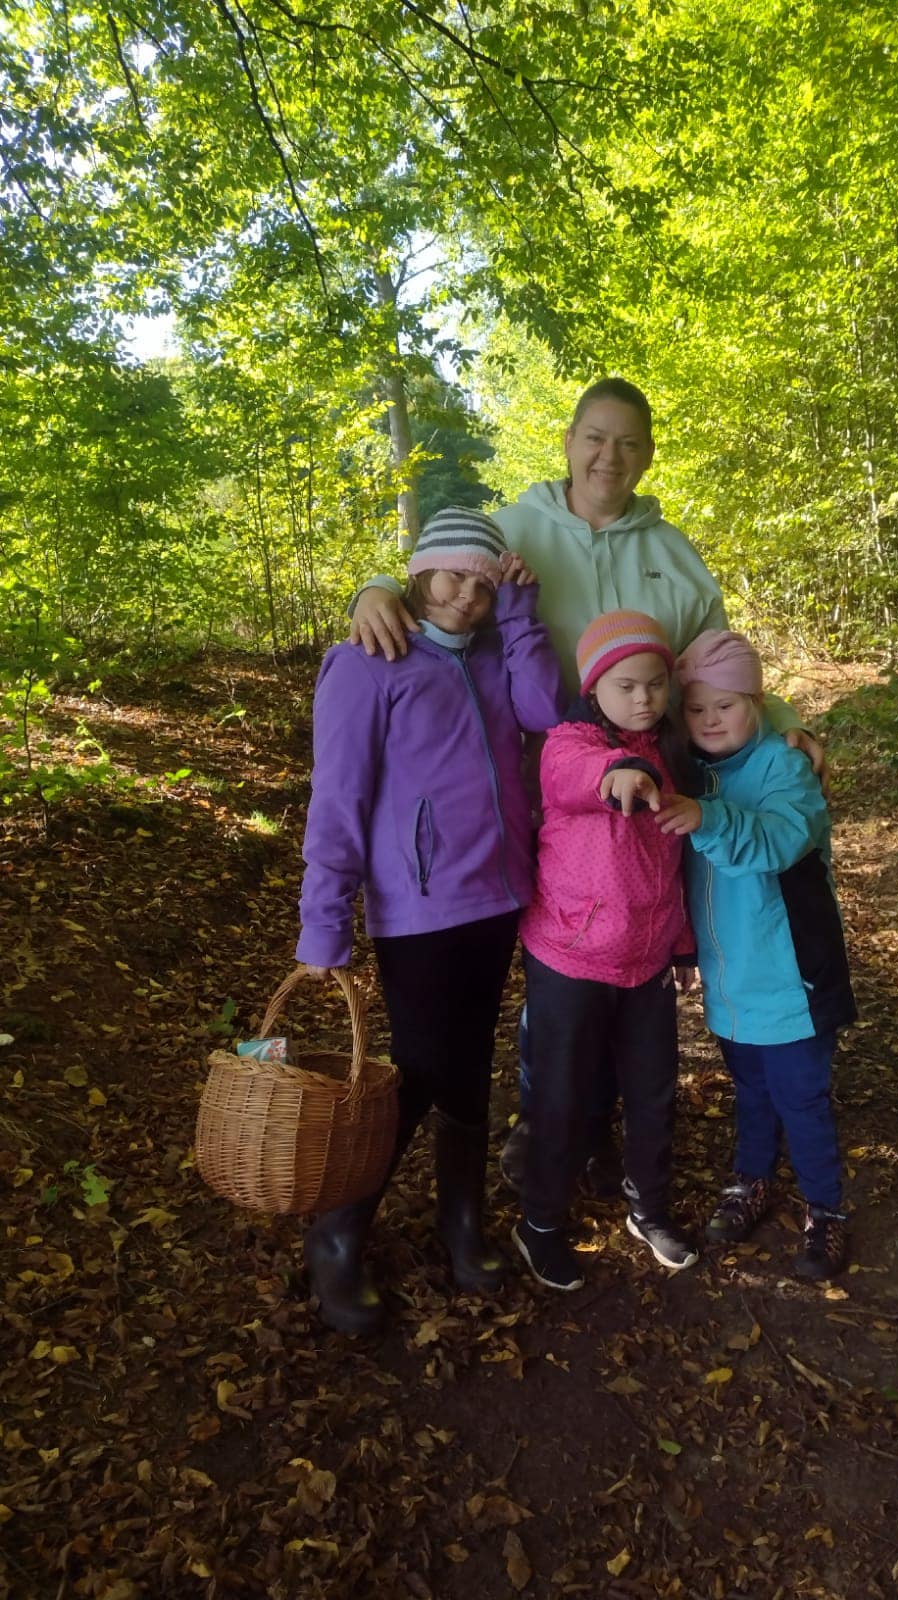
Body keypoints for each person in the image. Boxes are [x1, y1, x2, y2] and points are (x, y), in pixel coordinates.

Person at [347, 378, 825, 1192]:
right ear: (569, 442)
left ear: (648, 455)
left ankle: (607, 1131)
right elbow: (439, 575)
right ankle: (548, 1127)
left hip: (652, 794)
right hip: (544, 792)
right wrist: (371, 590)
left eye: (629, 442)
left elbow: (716, 662)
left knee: (631, 949)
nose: (611, 455)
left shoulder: (673, 554)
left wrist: (781, 718)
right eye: (596, 437)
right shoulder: (516, 529)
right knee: (561, 964)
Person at [295, 508, 564, 1334]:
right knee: (416, 1068)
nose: (466, 597)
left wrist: (520, 611)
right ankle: (338, 1230)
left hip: (497, 894)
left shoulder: (492, 650)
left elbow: (545, 711)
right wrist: (324, 921)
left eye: (484, 586)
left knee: (470, 1063)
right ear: (417, 573)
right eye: (452, 577)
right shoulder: (365, 662)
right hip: (416, 903)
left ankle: (461, 1223)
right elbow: (338, 798)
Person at [656, 630, 857, 1280]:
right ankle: (752, 1180)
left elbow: (779, 841)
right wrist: (684, 948)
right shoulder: (694, 773)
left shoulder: (784, 766)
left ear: (758, 703)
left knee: (802, 1098)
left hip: (792, 976)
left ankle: (826, 1210)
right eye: (697, 708)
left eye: (727, 705)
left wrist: (707, 817)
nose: (711, 720)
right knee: (751, 1089)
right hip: (731, 978)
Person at [511, 611, 699, 1292]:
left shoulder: (673, 753)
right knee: (560, 1095)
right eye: (627, 686)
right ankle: (540, 1223)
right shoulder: (567, 744)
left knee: (652, 1094)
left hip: (647, 962)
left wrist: (682, 946)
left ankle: (648, 1209)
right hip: (570, 955)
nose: (644, 698)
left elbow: (672, 866)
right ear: (594, 688)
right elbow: (576, 776)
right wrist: (619, 771)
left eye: (655, 684)